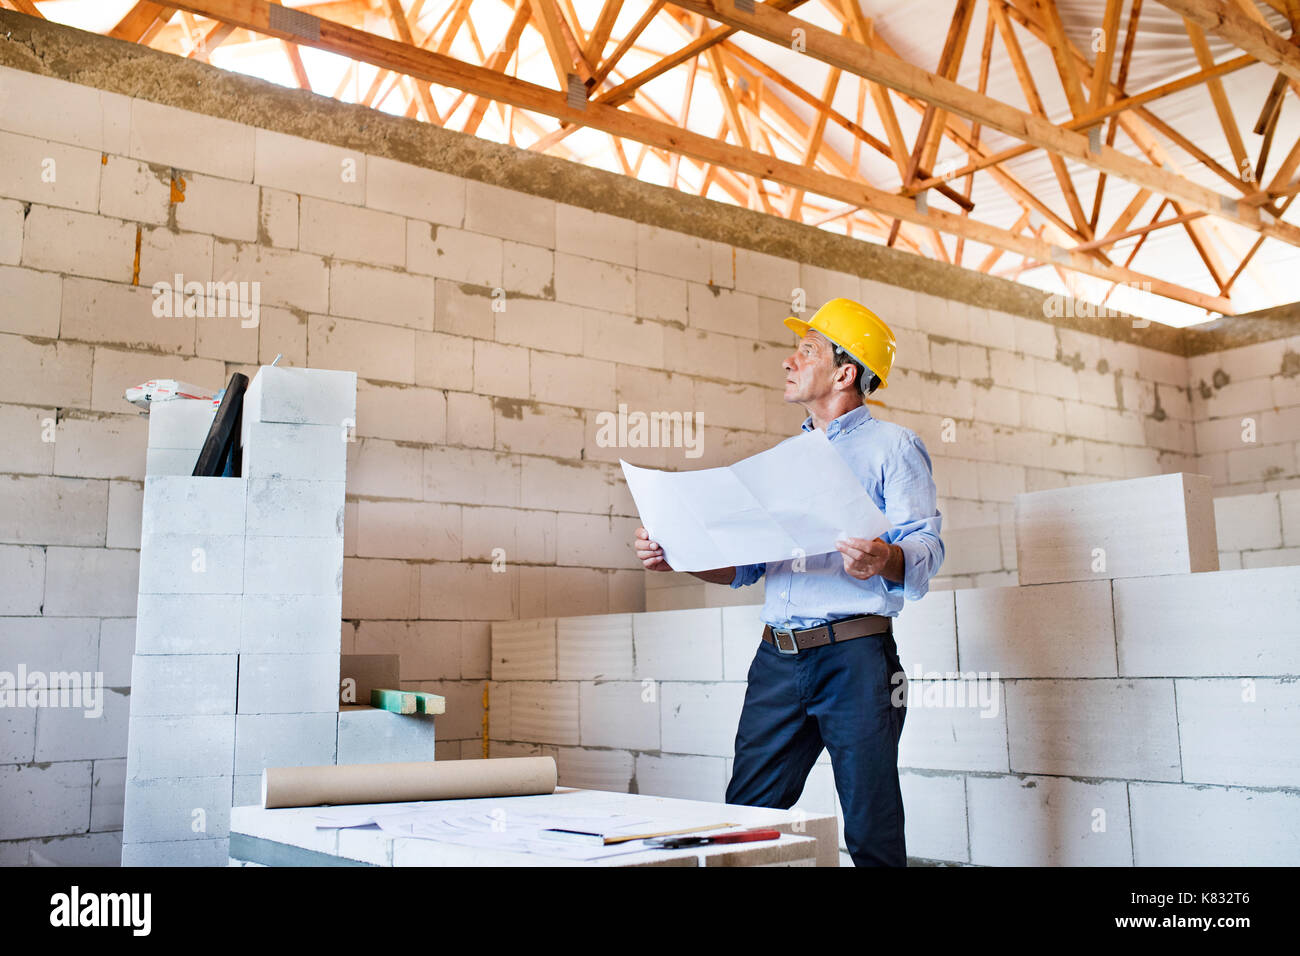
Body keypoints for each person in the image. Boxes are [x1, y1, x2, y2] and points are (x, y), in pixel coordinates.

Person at [633, 297, 944, 866]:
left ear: (845, 372)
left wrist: (884, 557)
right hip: (777, 661)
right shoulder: (786, 457)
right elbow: (747, 567)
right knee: (745, 820)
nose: (789, 360)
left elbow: (926, 546)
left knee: (871, 828)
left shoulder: (893, 448)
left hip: (855, 660)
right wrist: (676, 556)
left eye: (807, 350)